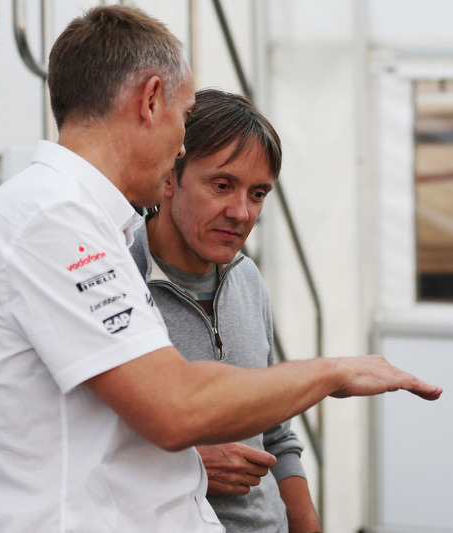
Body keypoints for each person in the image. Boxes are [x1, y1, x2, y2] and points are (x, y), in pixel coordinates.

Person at [0, 6, 441, 533]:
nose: (181, 144)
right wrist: (331, 371)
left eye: (257, 194)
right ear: (152, 99)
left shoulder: (73, 218)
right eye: (184, 117)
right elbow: (176, 407)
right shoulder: (54, 220)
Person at [129, 88, 317, 532]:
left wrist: (307, 523)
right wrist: (190, 465)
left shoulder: (247, 278)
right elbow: (84, 442)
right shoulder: (117, 278)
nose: (240, 212)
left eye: (257, 194)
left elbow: (277, 433)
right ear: (170, 175)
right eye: (222, 185)